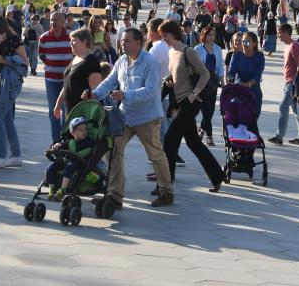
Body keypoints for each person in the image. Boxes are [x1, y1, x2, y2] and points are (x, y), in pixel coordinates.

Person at [90, 27, 173, 208]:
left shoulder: (149, 61)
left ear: (138, 43)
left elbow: (152, 91)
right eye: (122, 40)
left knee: (155, 155)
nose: (122, 44)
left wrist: (125, 95)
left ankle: (166, 192)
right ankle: (115, 195)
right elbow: (110, 81)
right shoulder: (121, 61)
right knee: (112, 151)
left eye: (127, 41)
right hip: (125, 116)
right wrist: (95, 95)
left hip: (147, 117)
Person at [159, 20, 225, 193]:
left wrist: (194, 93)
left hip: (191, 103)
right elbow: (176, 75)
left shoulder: (188, 51)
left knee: (170, 141)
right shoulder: (172, 52)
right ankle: (217, 176)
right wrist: (170, 82)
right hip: (180, 102)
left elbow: (204, 73)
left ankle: (166, 183)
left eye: (164, 35)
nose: (163, 39)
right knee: (194, 142)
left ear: (172, 34)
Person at [0, 15, 28, 169]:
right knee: (7, 119)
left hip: (10, 83)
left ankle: (2, 156)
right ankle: (16, 155)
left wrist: (5, 61)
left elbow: (25, 64)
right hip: (1, 83)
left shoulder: (14, 39)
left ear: (0, 26)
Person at [268, 24, 299, 146]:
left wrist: (297, 85)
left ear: (285, 32)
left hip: (293, 83)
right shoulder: (287, 46)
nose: (277, 35)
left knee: (283, 107)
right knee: (296, 110)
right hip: (288, 82)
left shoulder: (295, 46)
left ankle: (279, 136)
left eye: (279, 33)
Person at [46, 116, 101, 201]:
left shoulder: (89, 141)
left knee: (69, 166)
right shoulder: (70, 142)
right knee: (51, 167)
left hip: (80, 164)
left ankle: (63, 190)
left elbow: (94, 149)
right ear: (73, 133)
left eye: (85, 129)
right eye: (80, 130)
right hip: (68, 162)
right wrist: (56, 146)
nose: (84, 132)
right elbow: (61, 145)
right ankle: (52, 189)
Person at [39, 12, 73, 142]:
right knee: (53, 110)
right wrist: (53, 63)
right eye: (52, 20)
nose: (53, 22)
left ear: (64, 21)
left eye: (57, 20)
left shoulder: (71, 36)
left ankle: (66, 139)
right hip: (51, 80)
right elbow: (42, 55)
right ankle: (56, 140)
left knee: (67, 110)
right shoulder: (44, 37)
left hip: (68, 80)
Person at [53, 28, 102, 117]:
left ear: (84, 41)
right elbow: (67, 84)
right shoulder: (76, 58)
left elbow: (96, 93)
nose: (70, 43)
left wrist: (91, 119)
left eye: (73, 40)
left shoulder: (91, 62)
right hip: (71, 112)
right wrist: (58, 104)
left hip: (83, 116)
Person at [194, 26, 224, 146]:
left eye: (213, 34)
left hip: (213, 84)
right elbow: (194, 66)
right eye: (209, 34)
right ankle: (209, 136)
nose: (211, 37)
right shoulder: (197, 49)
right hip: (201, 84)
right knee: (206, 111)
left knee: (210, 112)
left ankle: (201, 130)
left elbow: (220, 67)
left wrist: (223, 83)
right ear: (204, 35)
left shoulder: (217, 49)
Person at [228, 32, 265, 118]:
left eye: (247, 42)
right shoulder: (236, 55)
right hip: (238, 92)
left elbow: (258, 75)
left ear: (254, 43)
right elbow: (231, 73)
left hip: (254, 93)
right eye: (243, 42)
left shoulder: (259, 57)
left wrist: (249, 83)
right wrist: (230, 76)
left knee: (251, 123)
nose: (244, 44)